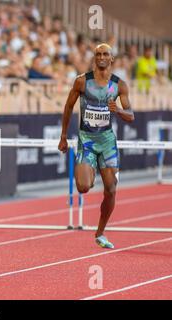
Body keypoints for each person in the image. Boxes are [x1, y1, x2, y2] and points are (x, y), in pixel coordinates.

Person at [58, 43, 135, 249]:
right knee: (83, 187)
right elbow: (68, 106)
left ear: (112, 59)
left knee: (110, 189)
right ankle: (89, 174)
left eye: (105, 54)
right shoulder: (82, 81)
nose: (101, 57)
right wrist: (63, 136)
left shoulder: (120, 85)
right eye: (98, 54)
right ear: (95, 58)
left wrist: (117, 110)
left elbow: (131, 116)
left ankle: (100, 232)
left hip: (108, 142)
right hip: (87, 140)